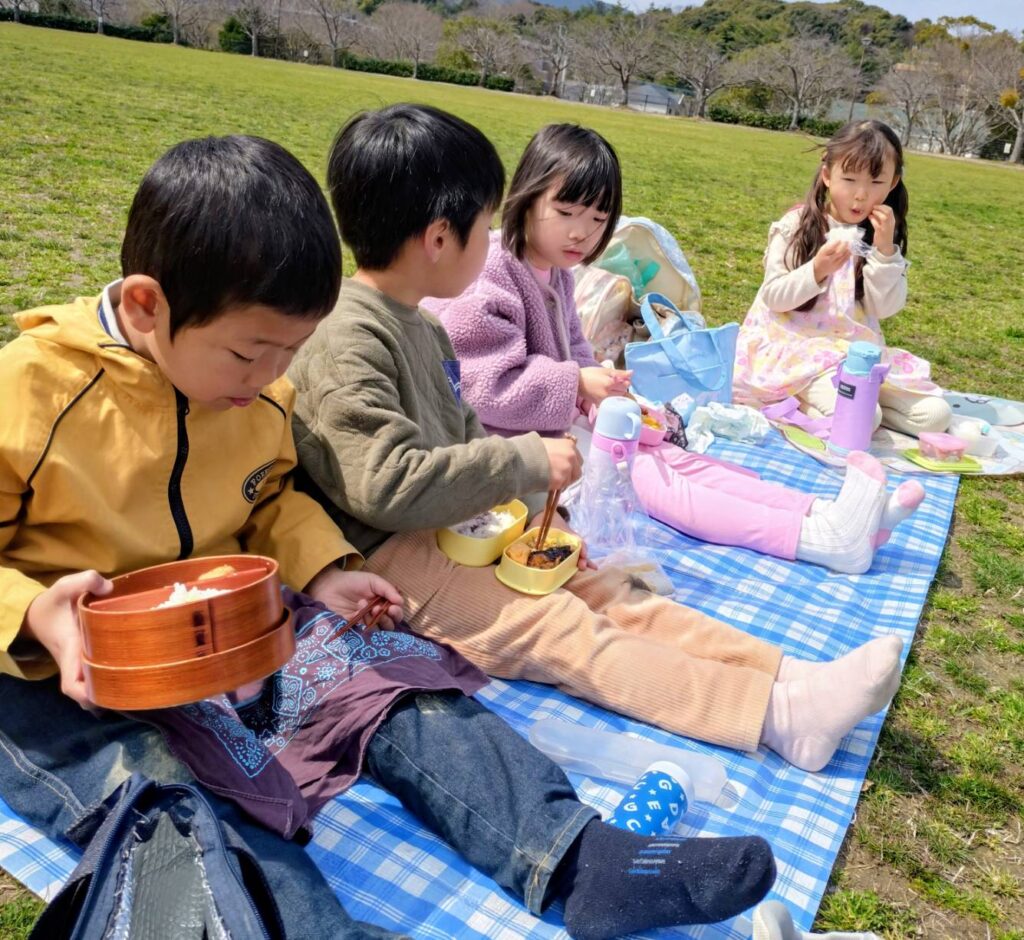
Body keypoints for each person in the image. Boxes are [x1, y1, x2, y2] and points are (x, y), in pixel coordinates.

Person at [0, 135, 777, 940]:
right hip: (48, 674)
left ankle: (576, 859)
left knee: (392, 681)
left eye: (288, 354)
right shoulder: (34, 390)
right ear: (145, 307)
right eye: (249, 353)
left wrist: (324, 569)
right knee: (160, 806)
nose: (270, 378)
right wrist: (35, 614)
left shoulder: (254, 391)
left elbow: (270, 498)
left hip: (219, 633)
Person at [290, 103, 906, 780]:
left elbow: (461, 433)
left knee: (607, 590)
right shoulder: (348, 339)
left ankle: (787, 674)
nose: (492, 238)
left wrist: (534, 519)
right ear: (440, 238)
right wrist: (525, 460)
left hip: (462, 525)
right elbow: (384, 484)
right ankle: (777, 716)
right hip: (391, 558)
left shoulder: (423, 325)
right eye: (483, 224)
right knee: (562, 628)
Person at [431, 123, 925, 574]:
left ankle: (828, 513)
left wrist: (602, 389)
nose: (582, 232)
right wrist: (576, 383)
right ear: (526, 195)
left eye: (599, 219)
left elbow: (575, 348)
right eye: (565, 213)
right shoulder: (491, 274)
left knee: (670, 455)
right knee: (653, 477)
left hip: (555, 426)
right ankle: (817, 539)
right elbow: (480, 387)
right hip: (512, 451)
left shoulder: (554, 270)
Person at [733, 119, 951, 436]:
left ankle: (855, 410)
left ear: (893, 183)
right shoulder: (797, 226)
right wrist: (817, 270)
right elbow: (774, 296)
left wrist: (885, 251)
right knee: (861, 418)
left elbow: (884, 308)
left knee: (935, 416)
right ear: (827, 175)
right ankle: (798, 399)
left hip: (855, 355)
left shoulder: (880, 235)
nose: (860, 195)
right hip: (800, 350)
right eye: (849, 179)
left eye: (876, 182)